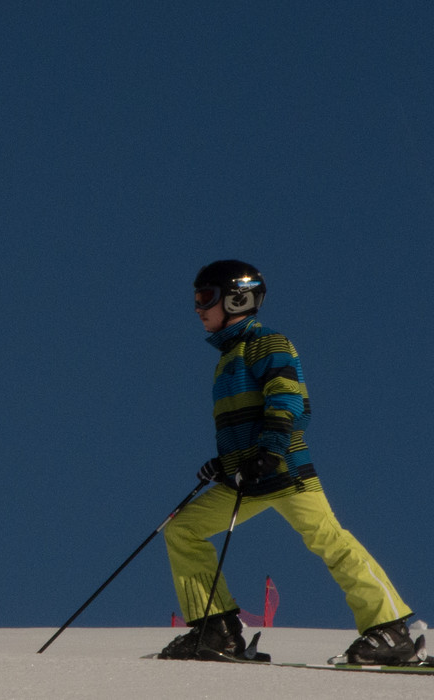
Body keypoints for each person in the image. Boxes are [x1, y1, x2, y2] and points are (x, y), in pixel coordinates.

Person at [159, 259, 417, 664]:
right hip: (248, 478)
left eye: (206, 297)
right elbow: (243, 425)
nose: (197, 307)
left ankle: (390, 631)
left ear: (237, 299)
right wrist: (226, 463)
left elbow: (288, 400)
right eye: (196, 298)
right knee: (182, 530)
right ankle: (217, 630)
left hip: (284, 470)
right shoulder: (227, 359)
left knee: (328, 540)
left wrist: (270, 451)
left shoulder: (268, 343)